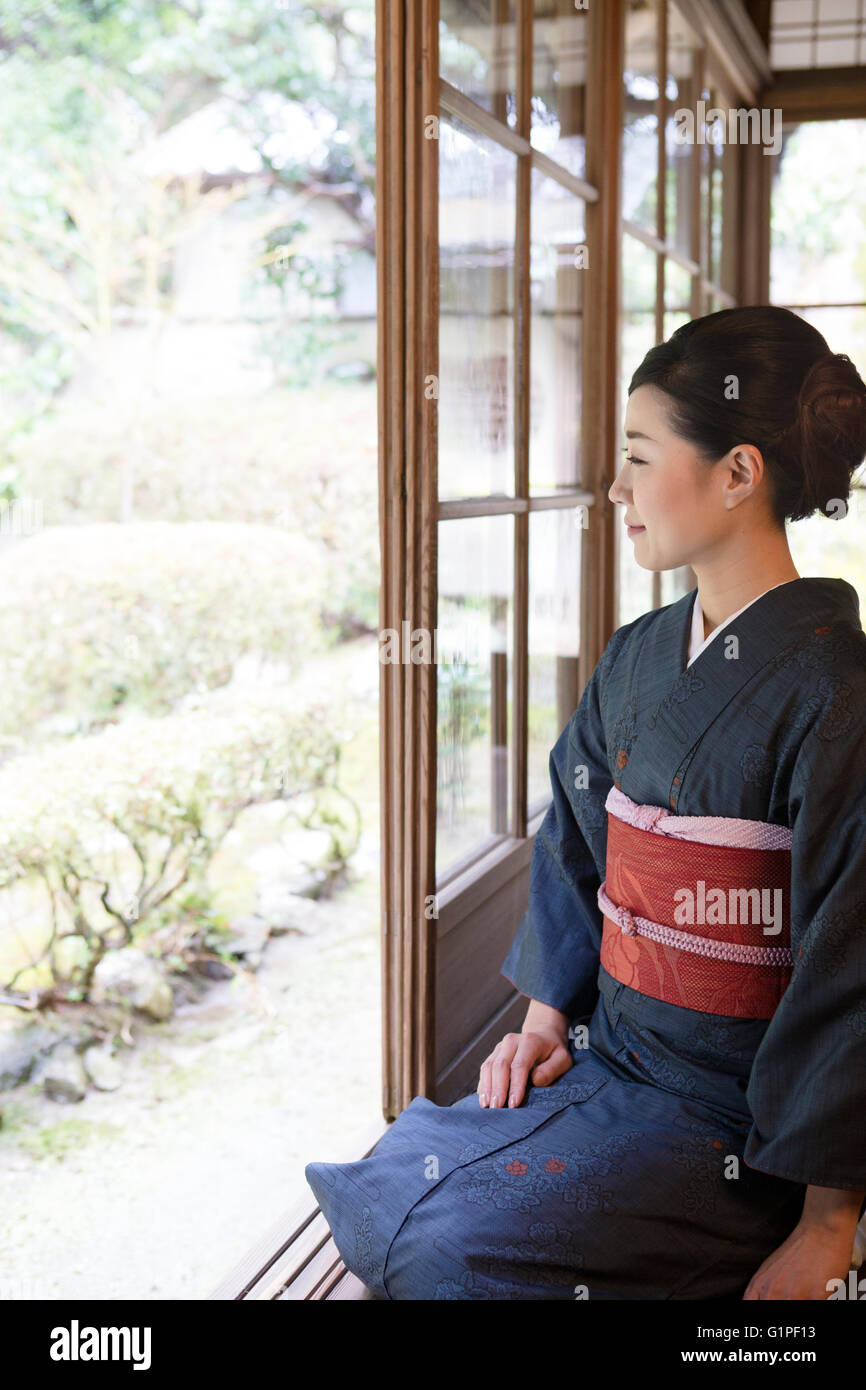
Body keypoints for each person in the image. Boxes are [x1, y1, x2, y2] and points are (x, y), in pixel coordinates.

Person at [305, 305, 866, 1300]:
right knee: (386, 1185)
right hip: (613, 1057)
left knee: (447, 1252)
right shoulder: (637, 655)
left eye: (639, 457)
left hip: (740, 1121)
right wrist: (541, 1017)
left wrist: (826, 1226)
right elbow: (571, 844)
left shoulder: (835, 690)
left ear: (736, 473)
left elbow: (846, 966)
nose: (615, 489)